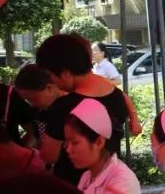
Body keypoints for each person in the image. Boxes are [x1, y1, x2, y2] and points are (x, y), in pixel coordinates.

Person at [36, 34, 140, 185]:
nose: (52, 82)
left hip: (74, 189)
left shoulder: (63, 106)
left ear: (65, 73)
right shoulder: (118, 97)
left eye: (50, 76)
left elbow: (49, 156)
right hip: (111, 184)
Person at [14, 62, 62, 144]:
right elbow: (37, 137)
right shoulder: (38, 112)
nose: (32, 104)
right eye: (27, 100)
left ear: (49, 88)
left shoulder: (66, 110)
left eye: (33, 99)